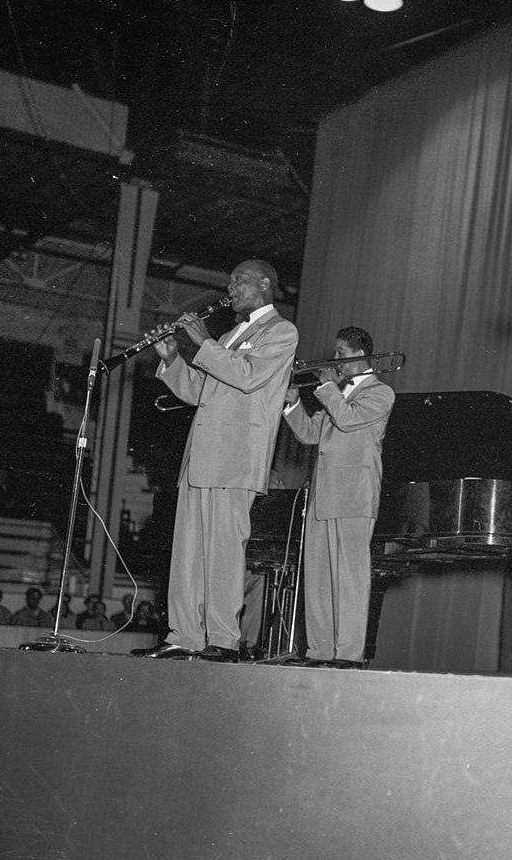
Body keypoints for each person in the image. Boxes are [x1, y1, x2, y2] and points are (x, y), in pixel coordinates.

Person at [132, 258, 298, 662]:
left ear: (264, 283)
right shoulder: (229, 334)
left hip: (235, 459)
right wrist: (172, 359)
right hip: (202, 457)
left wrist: (204, 341)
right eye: (229, 281)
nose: (231, 287)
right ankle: (184, 634)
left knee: (224, 551)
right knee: (187, 551)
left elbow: (246, 375)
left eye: (239, 280)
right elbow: (198, 391)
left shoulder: (281, 331)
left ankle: (223, 639)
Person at [280, 326, 395, 668]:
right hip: (323, 495)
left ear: (360, 356)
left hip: (354, 498)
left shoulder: (380, 393)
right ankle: (320, 651)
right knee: (318, 580)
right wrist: (292, 405)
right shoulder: (338, 393)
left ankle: (346, 655)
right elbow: (310, 433)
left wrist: (328, 387)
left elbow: (347, 420)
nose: (336, 361)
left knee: (349, 579)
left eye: (341, 354)